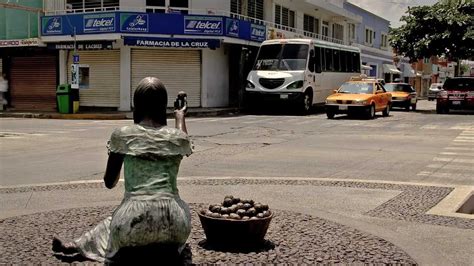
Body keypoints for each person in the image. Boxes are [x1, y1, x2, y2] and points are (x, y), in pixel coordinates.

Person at [52, 77, 193, 263]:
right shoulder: (177, 139)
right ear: (163, 105)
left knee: (112, 223)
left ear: (136, 104)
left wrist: (120, 155)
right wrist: (179, 115)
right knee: (118, 223)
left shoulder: (123, 135)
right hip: (175, 221)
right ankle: (174, 253)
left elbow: (109, 182)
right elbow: (182, 138)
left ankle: (79, 246)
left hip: (132, 221)